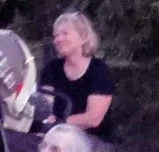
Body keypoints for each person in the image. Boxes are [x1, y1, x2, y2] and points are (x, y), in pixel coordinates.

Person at [40, 11, 116, 143]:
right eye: (56, 36)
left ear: (83, 37)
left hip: (92, 140)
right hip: (54, 137)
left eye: (64, 34)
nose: (58, 40)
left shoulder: (99, 71)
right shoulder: (51, 68)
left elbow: (93, 119)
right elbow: (45, 107)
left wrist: (60, 123)